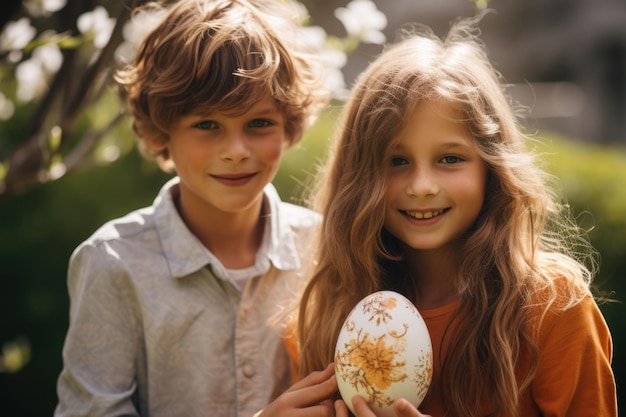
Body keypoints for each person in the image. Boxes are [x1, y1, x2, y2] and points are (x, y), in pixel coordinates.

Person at [290, 17, 618, 417]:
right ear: (357, 176)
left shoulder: (549, 308)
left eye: (450, 158)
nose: (423, 185)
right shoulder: (330, 313)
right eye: (396, 161)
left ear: (491, 168)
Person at [54, 0, 340, 416]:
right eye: (207, 125)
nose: (236, 152)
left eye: (259, 123)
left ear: (289, 124)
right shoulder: (113, 264)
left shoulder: (325, 248)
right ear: (161, 133)